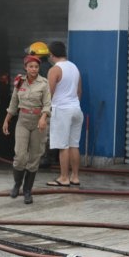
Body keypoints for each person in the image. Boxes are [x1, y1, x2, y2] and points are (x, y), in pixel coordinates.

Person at [2, 54, 51, 204]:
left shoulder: (44, 83)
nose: (34, 69)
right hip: (22, 121)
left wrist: (43, 118)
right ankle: (17, 184)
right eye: (31, 66)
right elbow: (13, 104)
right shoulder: (19, 83)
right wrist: (6, 121)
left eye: (36, 67)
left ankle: (28, 191)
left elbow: (48, 104)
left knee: (34, 158)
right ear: (25, 67)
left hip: (38, 122)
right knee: (20, 156)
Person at [45, 41, 83, 187]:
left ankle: (64, 178)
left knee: (63, 146)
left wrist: (44, 111)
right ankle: (75, 177)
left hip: (62, 110)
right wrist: (74, 103)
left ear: (51, 54)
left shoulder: (55, 69)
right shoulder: (74, 67)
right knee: (74, 145)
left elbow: (50, 92)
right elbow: (79, 91)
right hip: (76, 109)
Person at [25, 41, 56, 168]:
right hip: (50, 105)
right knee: (47, 132)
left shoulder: (37, 69)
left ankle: (42, 158)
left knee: (40, 132)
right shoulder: (50, 66)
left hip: (40, 106)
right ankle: (47, 157)